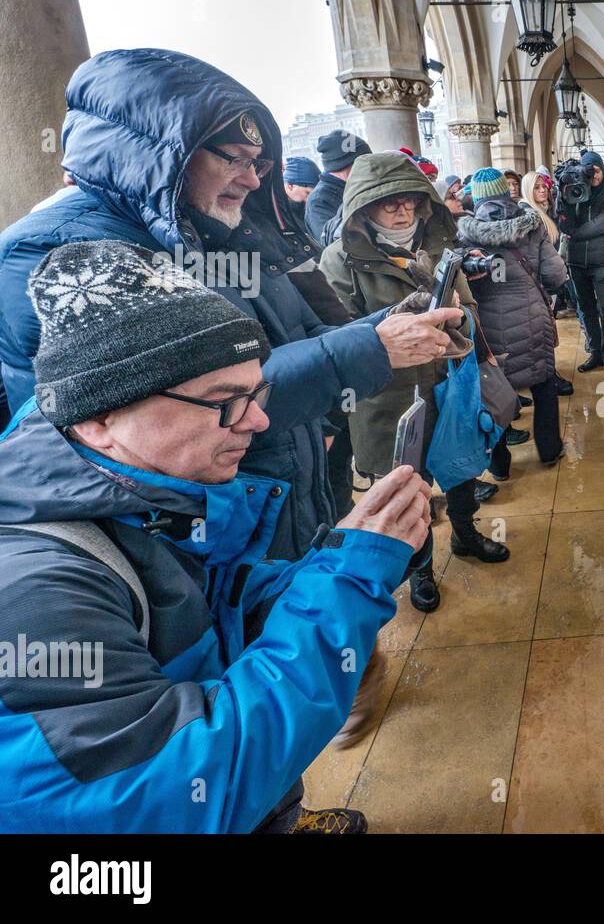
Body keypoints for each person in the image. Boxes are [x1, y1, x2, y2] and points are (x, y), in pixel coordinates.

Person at [0, 239, 430, 833]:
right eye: (223, 403)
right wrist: (350, 581)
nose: (256, 421)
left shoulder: (149, 493)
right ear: (99, 416)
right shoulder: (34, 593)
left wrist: (353, 556)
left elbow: (220, 610)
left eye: (257, 393)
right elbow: (183, 795)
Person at [0, 49, 453, 563]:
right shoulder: (57, 254)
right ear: (156, 155)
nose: (254, 179)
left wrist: (391, 322)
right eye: (232, 158)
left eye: (258, 162)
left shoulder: (222, 235)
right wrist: (372, 346)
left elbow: (299, 339)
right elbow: (193, 404)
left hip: (279, 495)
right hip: (189, 541)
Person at [320, 151, 508, 618]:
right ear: (365, 209)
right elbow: (333, 334)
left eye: (409, 201)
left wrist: (458, 318)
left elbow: (467, 304)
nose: (403, 211)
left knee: (461, 469)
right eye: (390, 205)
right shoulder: (338, 260)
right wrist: (394, 326)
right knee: (409, 487)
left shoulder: (439, 246)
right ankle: (420, 569)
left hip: (447, 383)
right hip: (387, 399)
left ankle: (465, 536)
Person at [457, 168, 568, 475]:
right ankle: (549, 450)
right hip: (532, 318)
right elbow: (555, 275)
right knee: (544, 385)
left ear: (477, 198)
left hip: (487, 325)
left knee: (494, 392)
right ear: (506, 193)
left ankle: (500, 464)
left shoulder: (465, 233)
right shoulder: (532, 226)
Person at [557, 151, 604, 380]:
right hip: (577, 263)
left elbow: (603, 224)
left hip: (602, 262)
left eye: (596, 169)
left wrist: (574, 234)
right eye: (588, 170)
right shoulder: (575, 192)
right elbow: (563, 222)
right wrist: (562, 195)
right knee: (586, 310)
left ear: (601, 169)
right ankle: (595, 352)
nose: (593, 174)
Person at [520, 171, 575, 397]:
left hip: (544, 283)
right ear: (527, 190)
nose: (542, 191)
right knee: (541, 334)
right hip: (539, 284)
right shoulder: (529, 214)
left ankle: (549, 373)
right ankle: (547, 377)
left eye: (544, 186)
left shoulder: (541, 212)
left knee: (547, 332)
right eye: (536, 187)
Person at [307, 128, 372, 243]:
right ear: (349, 163)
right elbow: (332, 242)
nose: (370, 167)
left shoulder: (356, 186)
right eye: (365, 161)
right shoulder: (318, 201)